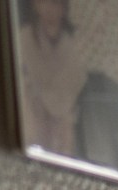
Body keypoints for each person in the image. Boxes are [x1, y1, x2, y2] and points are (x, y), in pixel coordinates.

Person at [16, 0, 87, 155]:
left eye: (55, 3)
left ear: (64, 7)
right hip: (33, 117)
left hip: (65, 120)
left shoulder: (75, 42)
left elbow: (75, 80)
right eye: (43, 2)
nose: (49, 8)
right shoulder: (24, 38)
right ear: (35, 5)